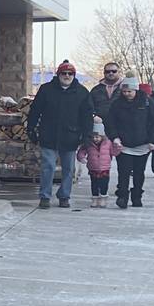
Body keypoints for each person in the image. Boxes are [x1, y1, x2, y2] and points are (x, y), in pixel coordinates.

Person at [27, 59, 92, 209]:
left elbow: (87, 117)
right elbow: (35, 111)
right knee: (47, 167)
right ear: (58, 74)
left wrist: (86, 135)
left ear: (74, 75)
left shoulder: (82, 92)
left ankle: (64, 196)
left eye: (70, 73)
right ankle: (45, 196)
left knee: (69, 169)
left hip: (71, 136)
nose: (67, 76)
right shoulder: (46, 90)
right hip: (48, 135)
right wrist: (31, 129)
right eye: (64, 73)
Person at [107, 76, 154, 209]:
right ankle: (123, 196)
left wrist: (152, 140)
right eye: (124, 91)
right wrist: (114, 137)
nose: (127, 94)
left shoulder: (147, 102)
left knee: (139, 172)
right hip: (123, 144)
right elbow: (110, 122)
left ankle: (137, 196)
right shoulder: (117, 104)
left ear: (136, 90)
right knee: (124, 172)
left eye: (129, 91)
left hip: (142, 143)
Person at [76, 119, 119, 209]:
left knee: (104, 184)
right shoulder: (88, 144)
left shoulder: (108, 143)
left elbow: (114, 152)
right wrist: (82, 158)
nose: (95, 139)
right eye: (93, 137)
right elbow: (81, 152)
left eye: (97, 137)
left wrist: (117, 147)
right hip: (93, 168)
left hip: (105, 168)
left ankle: (103, 197)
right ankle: (95, 198)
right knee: (94, 184)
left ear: (102, 136)